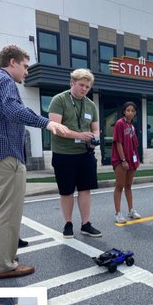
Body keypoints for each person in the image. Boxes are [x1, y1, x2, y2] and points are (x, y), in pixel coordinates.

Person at [0, 44, 71, 279]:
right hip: (6, 156)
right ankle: (4, 265)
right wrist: (47, 123)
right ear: (13, 62)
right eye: (25, 66)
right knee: (8, 212)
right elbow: (14, 110)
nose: (27, 72)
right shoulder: (5, 82)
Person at [48, 68, 102, 238]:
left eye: (87, 86)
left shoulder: (91, 105)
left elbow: (95, 129)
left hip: (85, 154)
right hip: (64, 154)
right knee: (67, 191)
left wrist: (94, 138)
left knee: (86, 189)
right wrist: (79, 135)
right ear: (72, 83)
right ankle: (68, 224)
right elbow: (55, 127)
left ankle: (86, 224)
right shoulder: (59, 100)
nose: (84, 89)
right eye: (81, 85)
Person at [111, 100, 142, 225]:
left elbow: (134, 145)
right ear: (124, 111)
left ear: (135, 113)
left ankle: (131, 210)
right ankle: (118, 213)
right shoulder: (120, 123)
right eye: (128, 110)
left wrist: (136, 159)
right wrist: (123, 160)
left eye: (133, 111)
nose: (130, 113)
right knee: (119, 186)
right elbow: (118, 142)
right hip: (120, 160)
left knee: (128, 186)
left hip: (131, 159)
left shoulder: (131, 126)